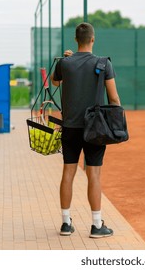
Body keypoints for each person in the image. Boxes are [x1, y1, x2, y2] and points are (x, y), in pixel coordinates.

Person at [51, 22, 120, 238]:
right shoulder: (103, 63)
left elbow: (54, 83)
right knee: (94, 174)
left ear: (75, 40)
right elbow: (114, 98)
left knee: (68, 172)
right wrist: (117, 123)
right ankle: (97, 225)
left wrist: (68, 60)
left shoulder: (65, 63)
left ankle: (65, 223)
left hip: (70, 127)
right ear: (93, 39)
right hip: (95, 128)